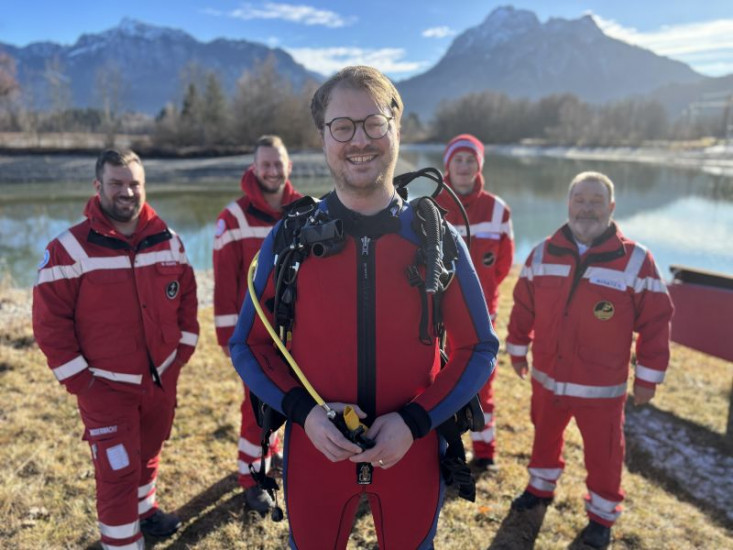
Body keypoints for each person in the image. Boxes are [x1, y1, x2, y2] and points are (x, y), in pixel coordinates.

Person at [229, 65, 498, 549]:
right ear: (322, 137)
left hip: (412, 451)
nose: (359, 140)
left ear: (397, 129)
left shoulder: (436, 239)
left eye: (374, 123)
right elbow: (248, 346)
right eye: (342, 126)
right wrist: (306, 414)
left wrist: (415, 421)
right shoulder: (290, 238)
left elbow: (478, 349)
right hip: (317, 451)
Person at [33, 149, 199, 549]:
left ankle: (145, 510)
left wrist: (180, 356)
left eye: (134, 184)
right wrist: (81, 382)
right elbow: (50, 323)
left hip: (160, 379)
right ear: (98, 186)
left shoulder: (169, 240)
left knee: (149, 452)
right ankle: (123, 543)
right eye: (116, 184)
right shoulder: (69, 249)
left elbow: (187, 301)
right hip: (104, 387)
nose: (127, 192)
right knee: (117, 473)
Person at [505, 171, 673, 548]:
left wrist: (648, 378)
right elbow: (523, 306)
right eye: (580, 200)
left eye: (596, 201)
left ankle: (601, 516)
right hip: (547, 378)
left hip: (601, 388)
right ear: (568, 203)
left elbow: (656, 321)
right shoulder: (542, 253)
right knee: (544, 437)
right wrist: (516, 347)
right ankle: (540, 488)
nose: (587, 208)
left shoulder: (636, 260)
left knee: (604, 454)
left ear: (611, 207)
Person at [213, 135, 302, 512]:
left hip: (298, 334)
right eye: (265, 164)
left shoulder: (305, 211)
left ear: (289, 166)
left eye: (278, 163)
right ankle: (251, 479)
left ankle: (272, 452)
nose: (272, 171)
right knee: (256, 408)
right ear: (254, 167)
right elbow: (224, 284)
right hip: (254, 336)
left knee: (288, 398)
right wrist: (227, 337)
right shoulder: (232, 218)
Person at [436, 134, 514, 471]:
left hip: (482, 316)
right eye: (458, 160)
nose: (464, 166)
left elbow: (503, 264)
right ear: (448, 165)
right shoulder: (431, 206)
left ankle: (484, 452)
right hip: (437, 319)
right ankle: (443, 450)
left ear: (479, 165)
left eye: (471, 160)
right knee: (437, 381)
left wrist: (482, 294)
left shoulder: (498, 209)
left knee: (482, 383)